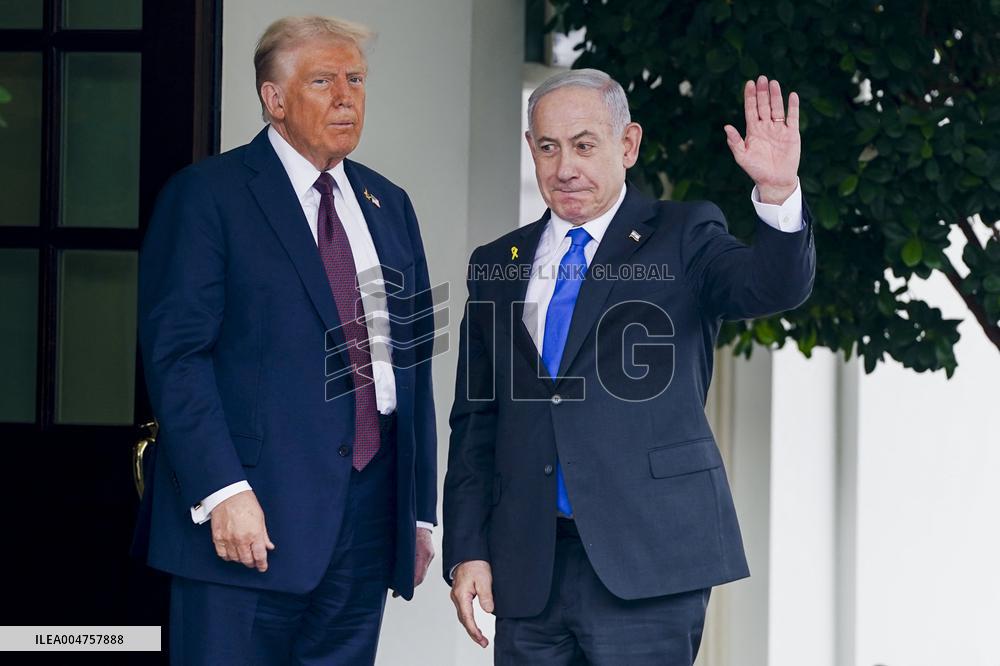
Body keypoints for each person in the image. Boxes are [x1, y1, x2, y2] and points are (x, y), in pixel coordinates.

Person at [443, 69, 815, 665]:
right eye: (548, 147)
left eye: (585, 144)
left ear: (628, 144)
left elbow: (771, 286)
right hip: (529, 567)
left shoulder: (684, 234)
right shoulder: (497, 262)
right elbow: (476, 422)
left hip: (649, 561)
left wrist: (777, 194)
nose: (565, 166)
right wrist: (467, 550)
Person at [136, 15, 437, 665]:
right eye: (323, 80)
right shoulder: (207, 196)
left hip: (366, 521)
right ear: (273, 99)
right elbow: (177, 356)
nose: (346, 96)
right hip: (246, 522)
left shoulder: (390, 204)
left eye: (355, 80)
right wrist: (223, 490)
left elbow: (409, 368)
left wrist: (417, 510)